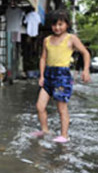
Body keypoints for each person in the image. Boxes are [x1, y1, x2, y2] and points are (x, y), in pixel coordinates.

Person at [33, 9, 91, 143]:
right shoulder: (47, 40)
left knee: (61, 107)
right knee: (40, 106)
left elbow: (85, 53)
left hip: (62, 76)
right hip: (48, 75)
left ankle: (64, 135)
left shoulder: (71, 39)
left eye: (60, 24)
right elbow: (43, 58)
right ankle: (44, 130)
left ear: (66, 24)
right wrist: (41, 76)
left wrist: (86, 70)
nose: (57, 28)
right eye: (54, 25)